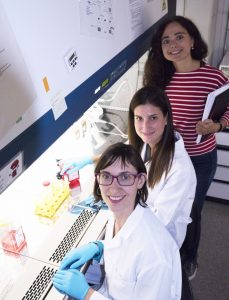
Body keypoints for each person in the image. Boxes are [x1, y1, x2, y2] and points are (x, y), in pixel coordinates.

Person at [143, 15, 229, 279]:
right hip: (166, 157)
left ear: (193, 40)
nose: (173, 44)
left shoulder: (214, 77)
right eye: (166, 40)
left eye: (179, 36)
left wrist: (217, 126)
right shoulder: (159, 79)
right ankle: (164, 250)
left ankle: (189, 257)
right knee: (161, 205)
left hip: (200, 159)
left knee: (191, 210)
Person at [52, 142, 182, 300]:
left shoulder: (156, 257)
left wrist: (87, 295)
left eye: (125, 177)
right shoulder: (118, 212)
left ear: (140, 180)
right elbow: (124, 248)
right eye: (106, 176)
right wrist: (100, 247)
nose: (114, 188)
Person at [128, 86, 196, 249]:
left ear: (166, 118)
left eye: (153, 118)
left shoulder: (180, 169)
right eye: (139, 118)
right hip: (138, 226)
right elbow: (123, 156)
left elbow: (158, 221)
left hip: (158, 242)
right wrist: (90, 160)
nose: (145, 127)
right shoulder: (146, 144)